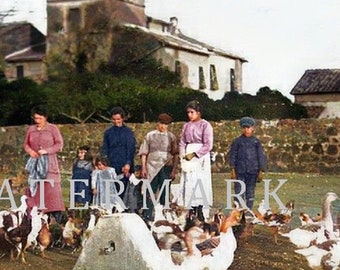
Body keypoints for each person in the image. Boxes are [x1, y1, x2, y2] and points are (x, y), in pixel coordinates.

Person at [23, 105, 65, 223]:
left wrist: (46, 151)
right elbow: (26, 144)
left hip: (49, 165)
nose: (37, 121)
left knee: (52, 193)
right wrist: (31, 151)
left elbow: (59, 144)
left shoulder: (53, 128)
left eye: (40, 118)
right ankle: (35, 220)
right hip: (35, 166)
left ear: (45, 118)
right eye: (35, 118)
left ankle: (56, 222)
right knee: (35, 192)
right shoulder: (31, 129)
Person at [138, 113, 179, 221]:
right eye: (161, 123)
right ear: (157, 123)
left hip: (166, 167)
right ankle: (147, 215)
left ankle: (164, 216)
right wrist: (143, 168)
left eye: (165, 124)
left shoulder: (171, 137)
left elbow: (175, 154)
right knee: (150, 191)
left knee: (165, 192)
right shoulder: (150, 135)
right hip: (151, 167)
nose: (163, 126)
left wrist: (174, 170)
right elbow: (144, 153)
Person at [178, 101, 213, 221]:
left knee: (200, 181)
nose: (190, 115)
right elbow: (182, 141)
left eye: (192, 112)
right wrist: (183, 155)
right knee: (189, 181)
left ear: (198, 112)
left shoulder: (205, 125)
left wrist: (194, 154)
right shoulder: (186, 126)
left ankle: (200, 209)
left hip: (200, 155)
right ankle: (191, 209)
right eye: (188, 112)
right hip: (188, 154)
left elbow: (208, 145)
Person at [228, 116, 267, 210]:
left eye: (248, 128)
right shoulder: (237, 142)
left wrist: (261, 170)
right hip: (240, 171)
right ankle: (238, 211)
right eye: (244, 128)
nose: (246, 130)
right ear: (241, 128)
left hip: (252, 171)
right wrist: (232, 169)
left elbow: (260, 156)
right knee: (238, 192)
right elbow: (232, 156)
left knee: (250, 192)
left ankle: (248, 210)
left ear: (253, 128)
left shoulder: (256, 142)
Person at [101, 106, 136, 197]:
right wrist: (104, 163)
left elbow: (131, 149)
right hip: (112, 163)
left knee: (124, 189)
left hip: (124, 164)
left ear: (122, 118)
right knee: (111, 189)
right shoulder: (108, 133)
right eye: (114, 119)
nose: (116, 121)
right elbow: (105, 148)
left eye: (118, 119)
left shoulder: (128, 132)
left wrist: (128, 163)